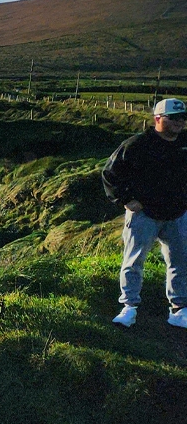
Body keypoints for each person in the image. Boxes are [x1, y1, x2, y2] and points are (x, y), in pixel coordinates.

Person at [104, 97, 187, 327]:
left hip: (178, 214)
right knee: (133, 261)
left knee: (180, 262)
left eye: (183, 117)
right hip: (144, 215)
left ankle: (179, 310)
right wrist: (126, 199)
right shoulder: (138, 144)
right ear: (158, 119)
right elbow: (110, 173)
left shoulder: (185, 143)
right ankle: (129, 307)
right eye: (175, 118)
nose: (180, 122)